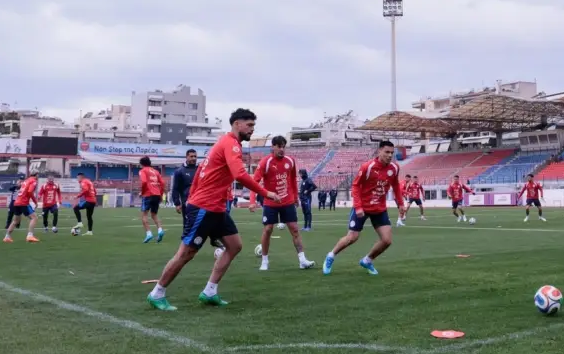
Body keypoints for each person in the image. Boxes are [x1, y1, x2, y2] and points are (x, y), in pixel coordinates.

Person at [147, 109, 278, 311]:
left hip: (215, 207)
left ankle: (209, 291)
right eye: (249, 125)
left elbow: (200, 172)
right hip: (204, 207)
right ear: (236, 124)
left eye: (253, 125)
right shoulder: (230, 144)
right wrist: (265, 193)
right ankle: (157, 293)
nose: (252, 129)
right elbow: (240, 174)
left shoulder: (224, 143)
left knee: (234, 245)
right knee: (186, 253)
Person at [322, 140, 403, 276]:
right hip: (363, 207)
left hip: (379, 208)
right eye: (387, 152)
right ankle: (331, 255)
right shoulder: (368, 167)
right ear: (379, 151)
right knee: (352, 237)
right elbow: (355, 186)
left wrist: (400, 203)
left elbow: (396, 186)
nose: (390, 155)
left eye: (392, 153)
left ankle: (367, 260)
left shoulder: (394, 168)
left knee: (387, 240)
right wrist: (358, 207)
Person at [252, 136, 314, 271]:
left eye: (283, 147)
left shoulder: (290, 161)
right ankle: (265, 261)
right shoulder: (265, 162)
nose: (281, 149)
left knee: (295, 229)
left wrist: (295, 197)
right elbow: (254, 182)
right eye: (279, 146)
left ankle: (302, 260)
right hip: (270, 202)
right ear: (273, 147)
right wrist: (252, 201)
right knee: (268, 229)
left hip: (287, 201)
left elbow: (292, 180)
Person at [4, 173, 40, 243]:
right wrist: (35, 201)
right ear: (36, 175)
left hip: (17, 202)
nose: (38, 176)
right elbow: (30, 192)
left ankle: (7, 237)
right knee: (34, 218)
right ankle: (30, 236)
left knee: (15, 221)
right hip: (23, 202)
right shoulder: (33, 181)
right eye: (38, 175)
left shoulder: (26, 180)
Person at [138, 156, 166, 243]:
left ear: (142, 164)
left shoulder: (143, 171)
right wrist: (160, 195)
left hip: (148, 195)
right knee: (154, 215)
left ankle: (148, 234)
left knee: (144, 215)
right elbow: (162, 183)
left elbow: (144, 182)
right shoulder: (156, 172)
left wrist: (142, 192)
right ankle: (160, 230)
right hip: (156, 195)